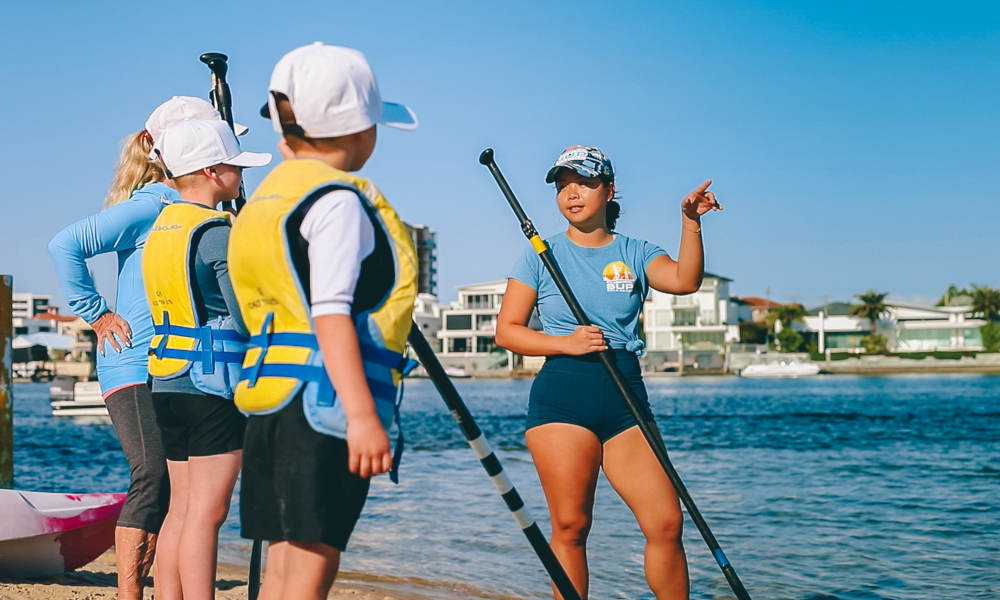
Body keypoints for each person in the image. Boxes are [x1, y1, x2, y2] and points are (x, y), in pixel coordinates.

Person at [228, 42, 418, 600]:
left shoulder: (268, 199)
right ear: (364, 132)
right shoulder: (339, 202)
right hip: (325, 411)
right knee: (312, 569)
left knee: (283, 566)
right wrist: (363, 417)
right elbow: (330, 311)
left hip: (270, 405)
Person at [495, 146, 722, 600]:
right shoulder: (539, 255)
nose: (572, 193)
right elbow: (508, 332)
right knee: (572, 526)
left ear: (609, 189)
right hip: (563, 394)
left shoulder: (636, 252)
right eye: (563, 186)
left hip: (624, 394)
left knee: (665, 522)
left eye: (583, 182)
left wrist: (691, 222)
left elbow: (684, 281)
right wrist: (565, 343)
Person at [47, 95, 245, 600]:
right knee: (154, 479)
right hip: (136, 359)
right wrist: (96, 313)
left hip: (170, 364)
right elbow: (65, 243)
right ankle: (131, 593)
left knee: (174, 494)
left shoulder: (182, 208)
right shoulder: (155, 204)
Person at [142, 118, 270, 600]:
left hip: (168, 382)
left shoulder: (164, 227)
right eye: (236, 166)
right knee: (207, 513)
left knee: (180, 508)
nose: (241, 176)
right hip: (212, 386)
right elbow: (246, 316)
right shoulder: (217, 233)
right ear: (214, 171)